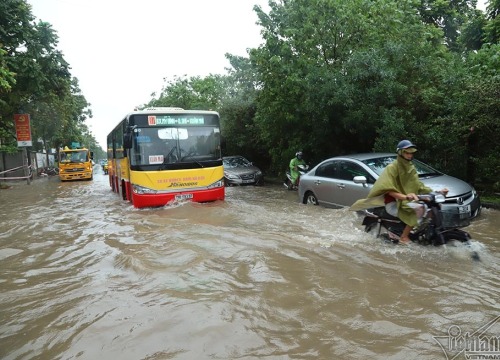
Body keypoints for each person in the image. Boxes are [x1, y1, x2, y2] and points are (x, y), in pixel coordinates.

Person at [351, 140, 448, 244]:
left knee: (429, 208)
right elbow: (388, 189)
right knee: (419, 209)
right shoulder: (392, 168)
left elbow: (418, 185)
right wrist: (405, 197)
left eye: (411, 153)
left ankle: (420, 233)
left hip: (407, 202)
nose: (410, 155)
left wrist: (436, 192)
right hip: (394, 204)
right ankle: (404, 237)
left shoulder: (410, 167)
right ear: (400, 153)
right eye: (407, 152)